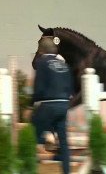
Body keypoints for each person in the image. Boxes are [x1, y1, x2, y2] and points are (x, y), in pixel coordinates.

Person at [31, 36, 73, 174]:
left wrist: (32, 104)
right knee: (64, 144)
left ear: (41, 50)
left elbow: (39, 87)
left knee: (32, 135)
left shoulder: (42, 62)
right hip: (64, 105)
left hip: (49, 104)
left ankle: (46, 137)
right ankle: (66, 171)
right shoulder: (64, 64)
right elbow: (70, 88)